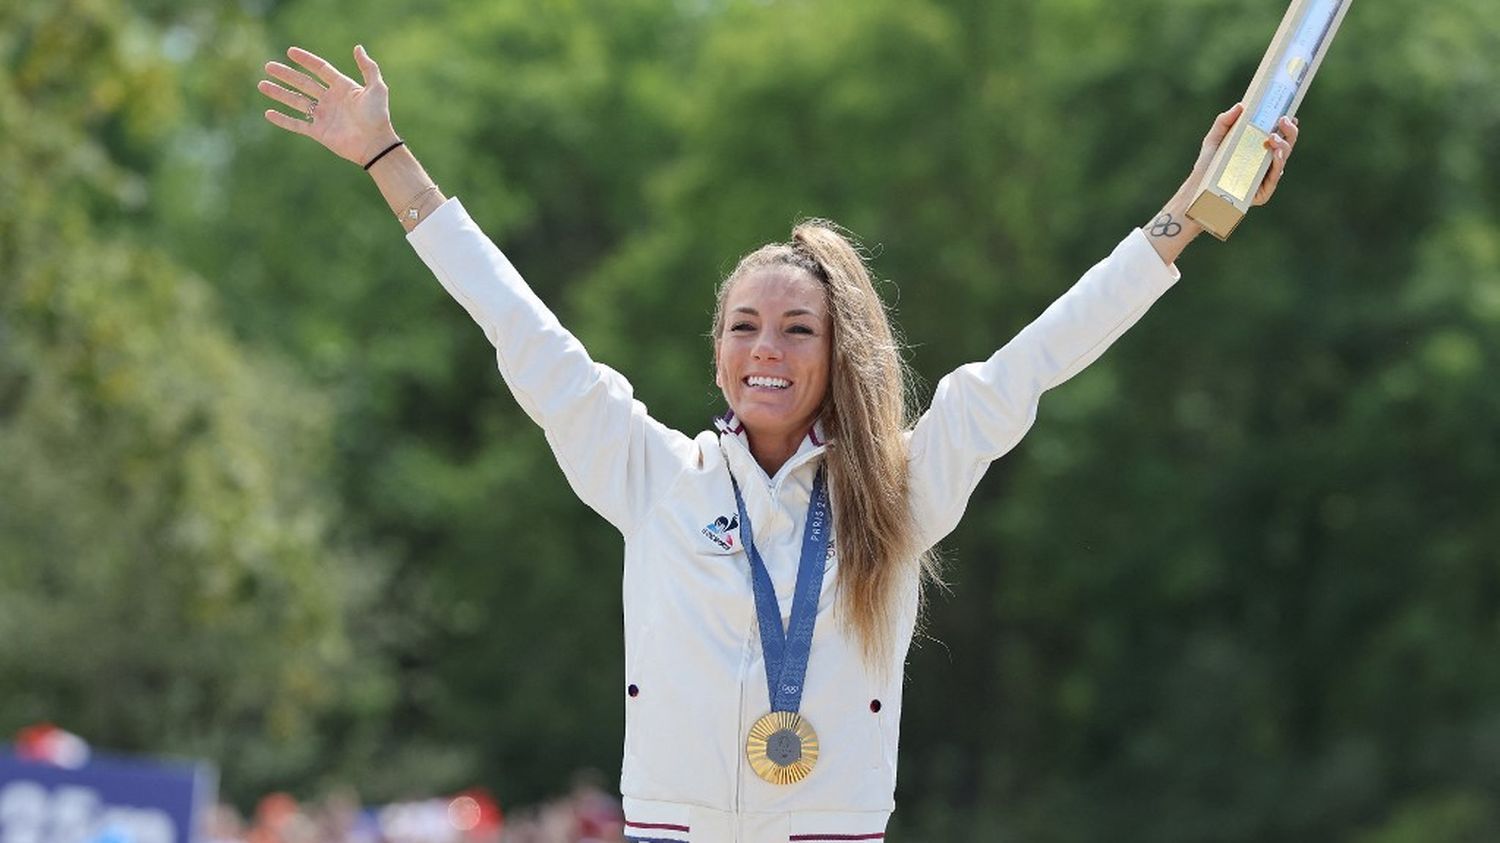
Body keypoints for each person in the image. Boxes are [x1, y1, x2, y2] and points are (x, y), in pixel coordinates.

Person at [258, 44, 1298, 843]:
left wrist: (1190, 213)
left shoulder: (900, 488)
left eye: (797, 329)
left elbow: (1043, 353)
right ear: (715, 352)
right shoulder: (651, 472)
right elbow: (517, 321)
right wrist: (390, 161)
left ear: (837, 354)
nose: (767, 349)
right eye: (745, 326)